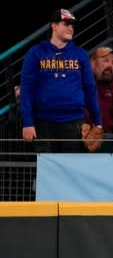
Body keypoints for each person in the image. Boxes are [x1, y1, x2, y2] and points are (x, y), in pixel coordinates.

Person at [19, 9, 102, 153]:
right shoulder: (36, 52)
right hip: (43, 122)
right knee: (47, 171)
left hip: (74, 122)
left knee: (72, 171)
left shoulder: (80, 54)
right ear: (54, 25)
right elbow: (26, 89)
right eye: (66, 23)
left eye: (73, 25)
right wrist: (27, 122)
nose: (71, 28)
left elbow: (90, 88)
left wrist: (98, 122)